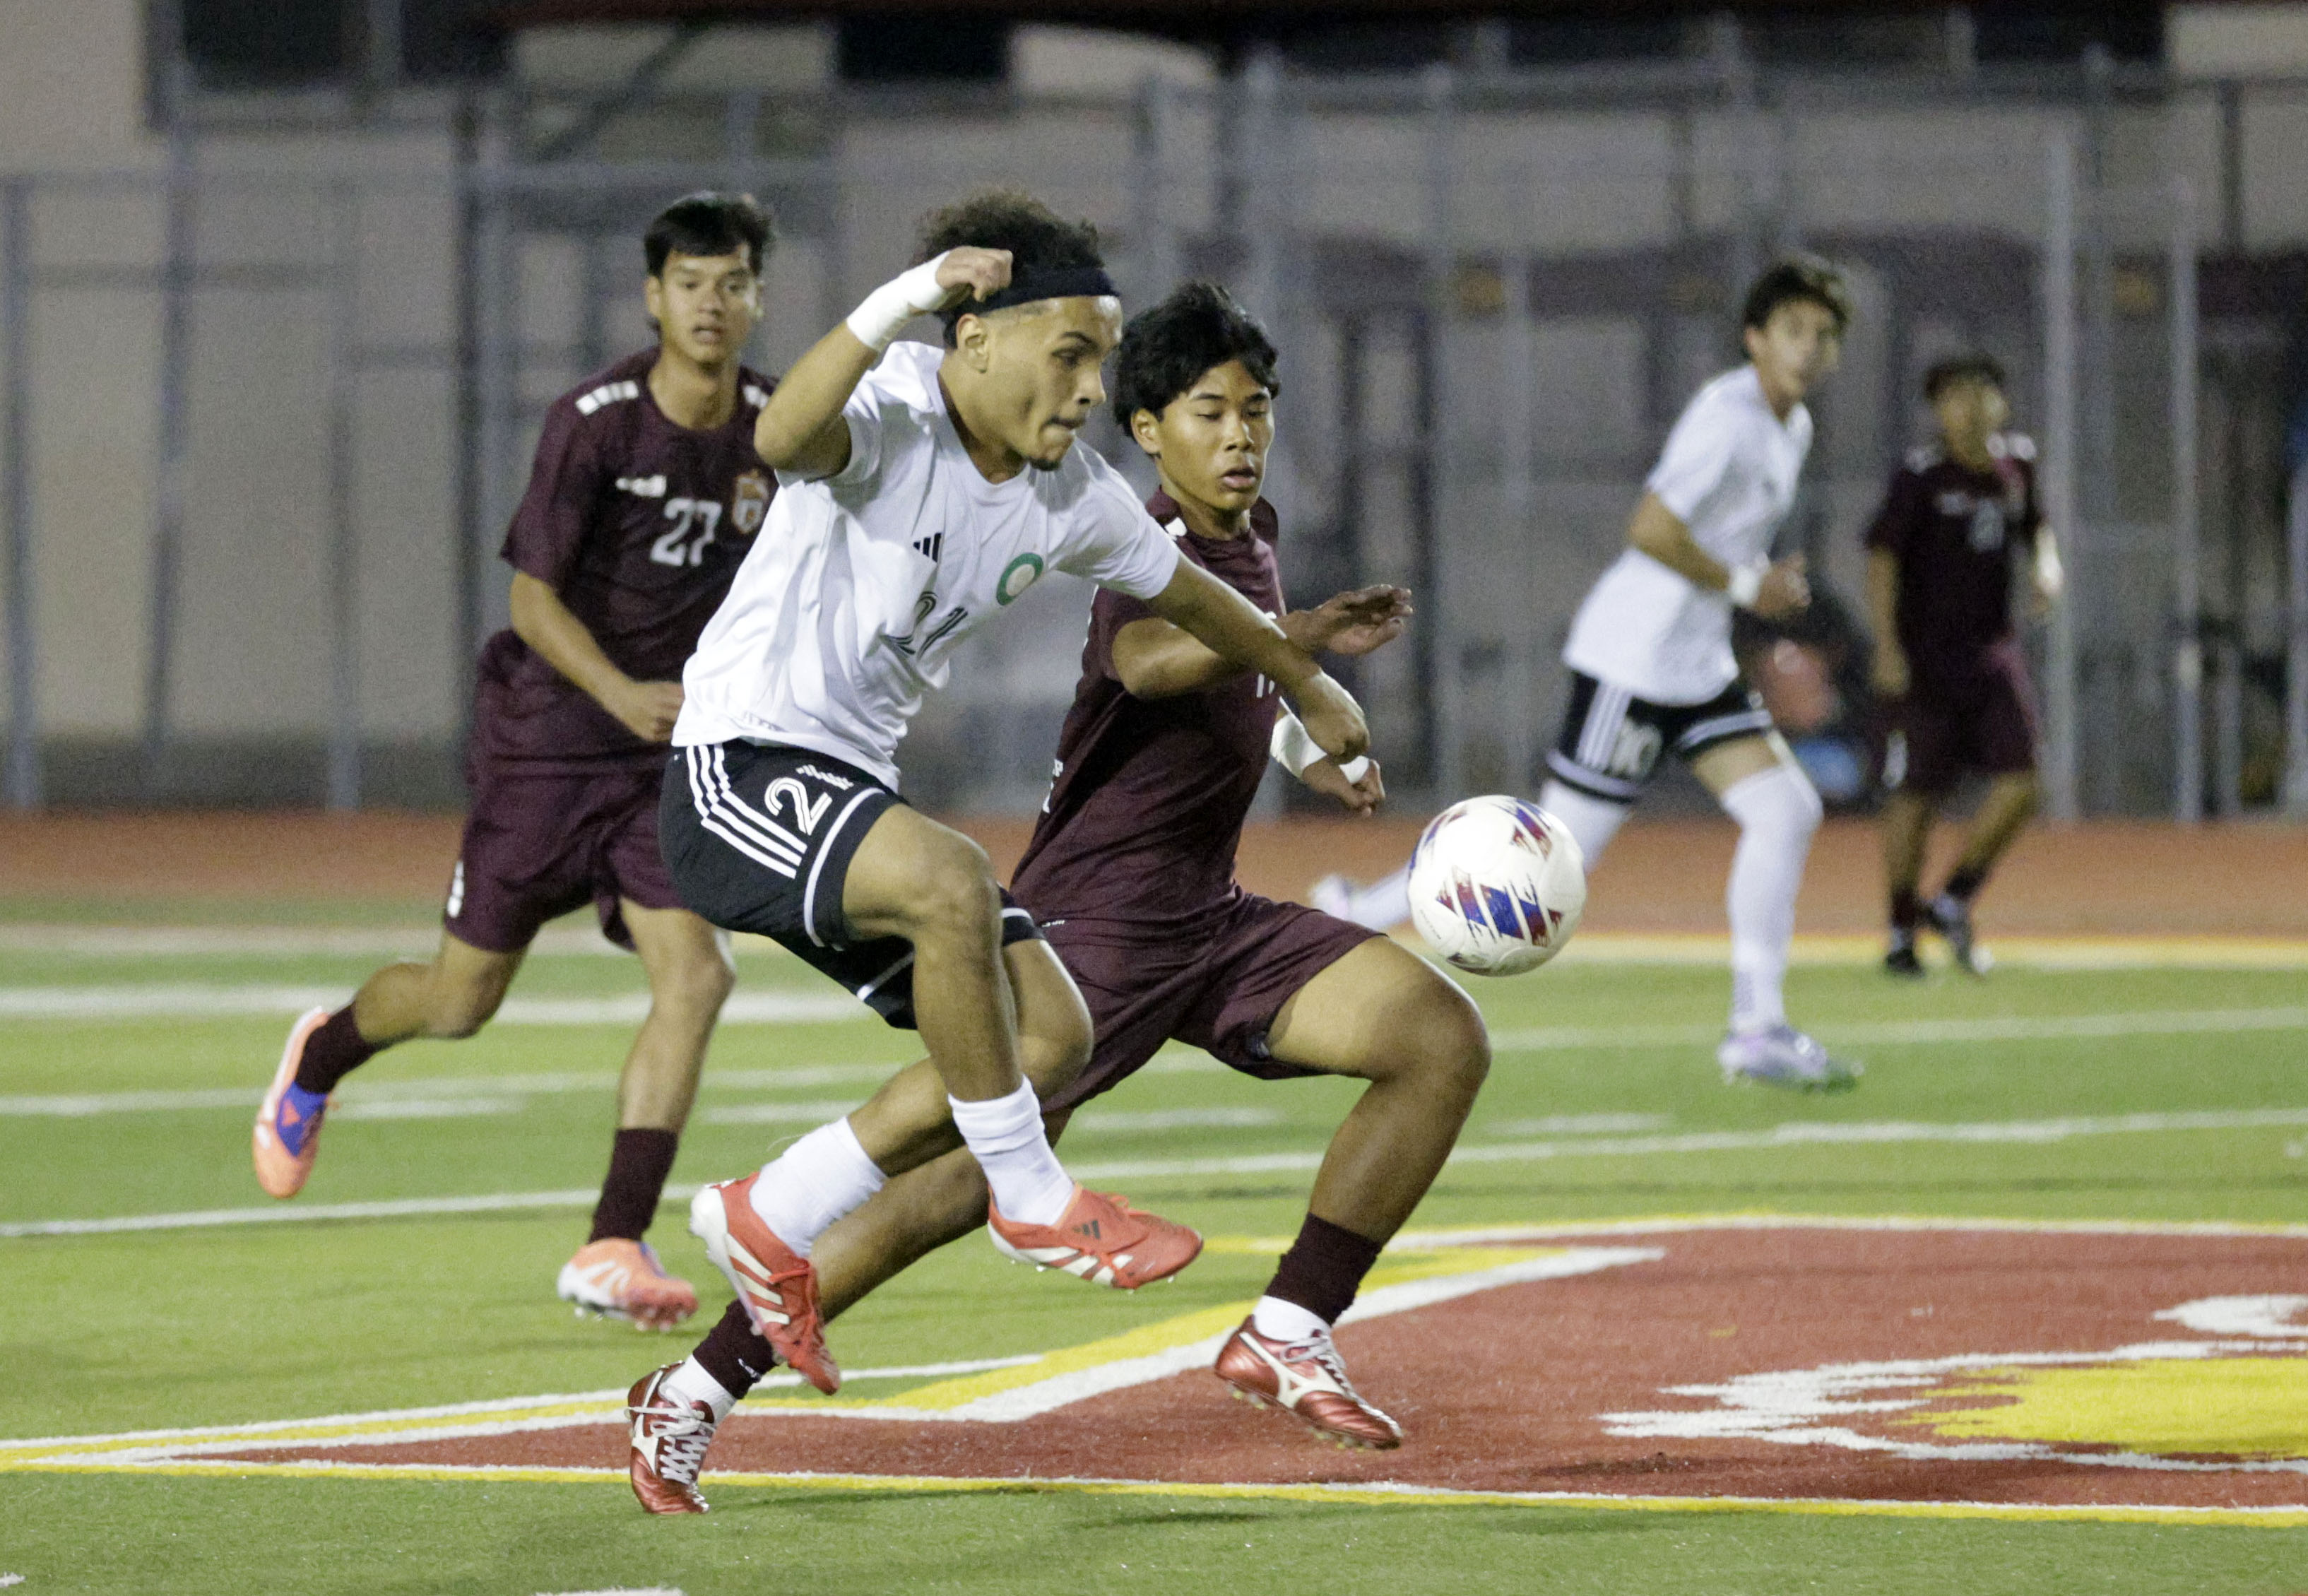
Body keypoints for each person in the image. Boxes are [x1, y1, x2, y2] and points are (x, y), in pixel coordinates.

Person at [623, 282, 1478, 1512]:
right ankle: (698, 1385)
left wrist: (1300, 733)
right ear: (1147, 430)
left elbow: (1214, 702)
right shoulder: (1140, 531)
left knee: (1437, 1037)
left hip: (1210, 917)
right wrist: (1294, 645)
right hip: (1104, 919)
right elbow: (1144, 657)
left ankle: (1289, 1324)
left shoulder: (1246, 532)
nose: (1238, 435)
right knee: (960, 1170)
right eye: (1208, 411)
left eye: (1257, 411)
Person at [251, 192, 781, 1330]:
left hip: (664, 761)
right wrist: (619, 691)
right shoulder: (593, 419)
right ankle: (322, 1052)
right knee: (457, 1001)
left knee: (698, 972)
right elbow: (530, 599)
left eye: (732, 282)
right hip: (549, 740)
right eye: (690, 282)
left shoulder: (777, 429)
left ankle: (611, 1238)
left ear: (756, 298)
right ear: (653, 296)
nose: (711, 303)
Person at [1314, 258, 1859, 1091]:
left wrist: (1742, 598)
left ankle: (1758, 1028)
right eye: (1793, 330)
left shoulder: (1793, 426)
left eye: (1824, 335)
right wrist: (1752, 587)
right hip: (1633, 662)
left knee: (1784, 809)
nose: (1809, 348)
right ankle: (1357, 913)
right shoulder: (1729, 416)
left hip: (1696, 663)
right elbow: (1650, 529)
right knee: (1552, 852)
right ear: (1755, 339)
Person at [1866, 354, 2061, 976]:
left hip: (1991, 655)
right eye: (1954, 396)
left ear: (2002, 403)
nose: (1970, 407)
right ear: (1937, 410)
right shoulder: (1919, 476)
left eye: (1982, 393)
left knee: (2024, 781)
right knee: (1914, 795)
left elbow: (2036, 527)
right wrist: (1888, 647)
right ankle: (1900, 929)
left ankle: (1952, 899)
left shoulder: (2016, 466)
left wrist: (2045, 565)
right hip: (1924, 661)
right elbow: (1882, 560)